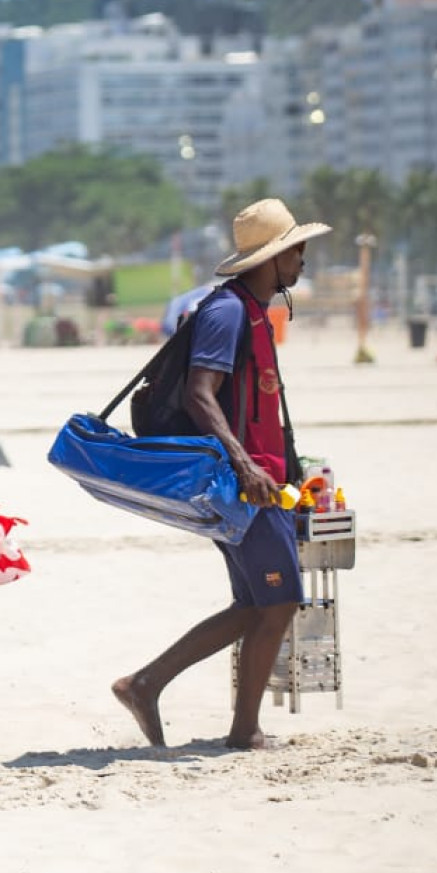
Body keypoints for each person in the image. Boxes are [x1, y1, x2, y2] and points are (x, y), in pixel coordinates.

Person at [113, 197, 330, 751]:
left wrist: (293, 469)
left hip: (262, 482)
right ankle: (239, 728)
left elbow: (256, 405)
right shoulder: (228, 312)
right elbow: (200, 395)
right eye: (296, 250)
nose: (302, 260)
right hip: (242, 487)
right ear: (273, 258)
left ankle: (147, 684)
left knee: (258, 603)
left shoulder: (254, 311)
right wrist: (245, 463)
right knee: (278, 601)